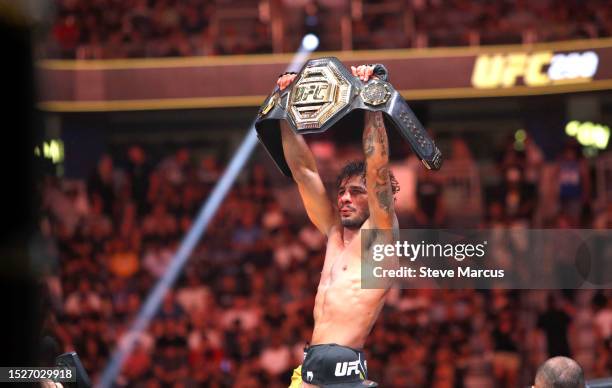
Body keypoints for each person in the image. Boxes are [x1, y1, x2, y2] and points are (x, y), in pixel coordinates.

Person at [277, 65, 399, 388]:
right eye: (342, 191)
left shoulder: (382, 236)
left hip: (346, 375)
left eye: (356, 192)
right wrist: (285, 107)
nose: (344, 198)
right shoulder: (333, 232)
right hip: (309, 373)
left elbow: (377, 169)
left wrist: (372, 104)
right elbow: (304, 172)